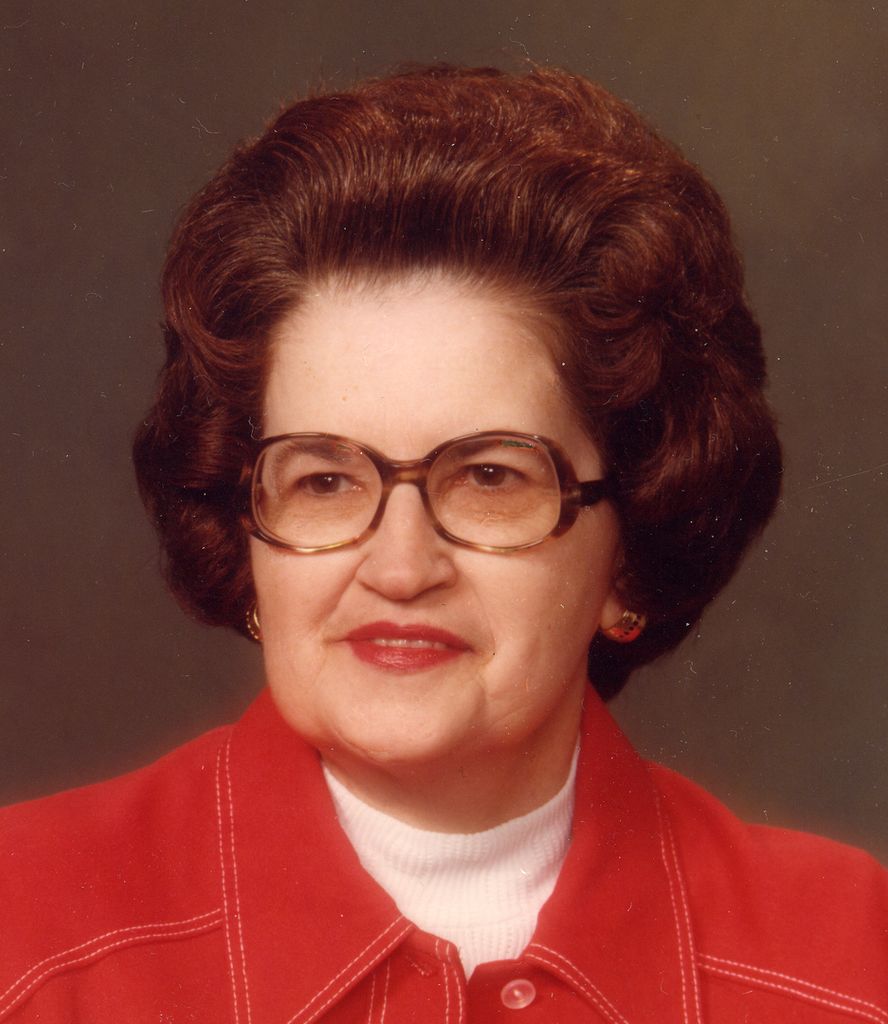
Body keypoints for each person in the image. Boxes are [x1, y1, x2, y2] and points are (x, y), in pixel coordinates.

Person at [1, 64, 885, 1022]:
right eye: (325, 481)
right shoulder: (26, 936)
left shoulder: (850, 967)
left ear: (630, 554)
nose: (399, 568)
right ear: (244, 534)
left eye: (491, 478)